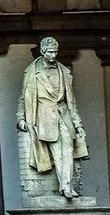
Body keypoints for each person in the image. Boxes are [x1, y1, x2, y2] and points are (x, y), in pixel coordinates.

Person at [17, 36, 88, 201]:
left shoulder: (63, 71)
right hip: (45, 118)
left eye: (55, 52)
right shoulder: (32, 72)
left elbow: (72, 102)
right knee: (58, 153)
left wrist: (78, 124)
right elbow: (24, 98)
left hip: (64, 115)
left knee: (69, 150)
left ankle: (66, 185)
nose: (52, 55)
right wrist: (21, 118)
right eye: (49, 52)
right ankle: (65, 186)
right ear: (42, 51)